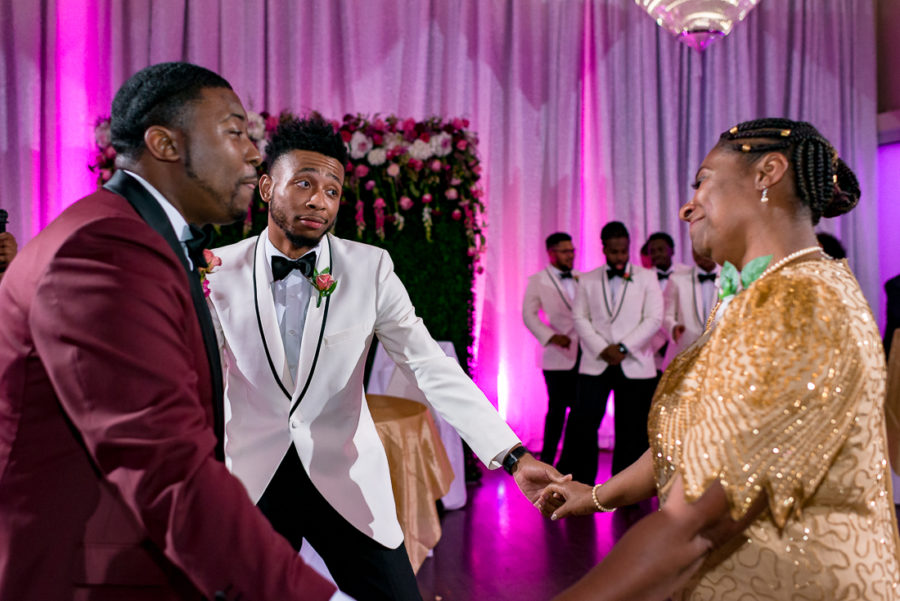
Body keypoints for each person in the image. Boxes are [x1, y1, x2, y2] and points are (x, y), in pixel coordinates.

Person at [0, 63, 342, 601]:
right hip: (90, 575)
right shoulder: (104, 249)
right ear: (164, 143)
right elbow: (164, 464)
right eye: (235, 132)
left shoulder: (125, 233)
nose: (256, 155)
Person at [205, 115, 566, 601]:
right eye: (304, 184)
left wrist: (513, 455)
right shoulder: (217, 270)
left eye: (332, 190)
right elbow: (197, 376)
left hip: (345, 481)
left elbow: (428, 364)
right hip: (251, 481)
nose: (319, 200)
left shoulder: (370, 269)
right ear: (268, 187)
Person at [539, 118, 900, 600]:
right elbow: (699, 444)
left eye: (704, 180)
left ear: (766, 173)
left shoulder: (799, 304)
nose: (689, 206)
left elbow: (695, 525)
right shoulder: (765, 294)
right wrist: (597, 496)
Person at [556, 221, 663, 485]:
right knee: (583, 423)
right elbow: (580, 317)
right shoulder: (588, 279)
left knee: (633, 427)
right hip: (596, 362)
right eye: (614, 252)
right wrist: (603, 348)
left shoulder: (648, 277)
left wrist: (624, 348)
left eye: (623, 252)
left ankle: (627, 487)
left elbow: (654, 318)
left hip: (636, 363)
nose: (619, 257)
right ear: (603, 248)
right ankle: (580, 483)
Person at [523, 232, 581, 465]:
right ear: (551, 252)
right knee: (557, 409)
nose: (571, 255)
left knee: (578, 410)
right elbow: (528, 314)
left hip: (584, 353)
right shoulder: (538, 280)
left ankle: (570, 459)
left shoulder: (581, 277)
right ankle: (547, 460)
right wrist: (551, 336)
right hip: (555, 356)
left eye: (572, 250)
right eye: (565, 251)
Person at [661, 249, 718, 362]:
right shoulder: (677, 279)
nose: (701, 253)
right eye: (696, 248)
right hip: (684, 354)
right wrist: (673, 327)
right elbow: (665, 314)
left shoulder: (734, 279)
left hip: (718, 354)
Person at [645, 231, 687, 373]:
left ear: (672, 250)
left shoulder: (687, 274)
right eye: (653, 251)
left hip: (682, 345)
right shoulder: (643, 279)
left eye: (661, 249)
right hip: (653, 352)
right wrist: (659, 344)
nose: (657, 254)